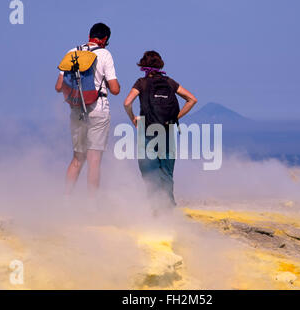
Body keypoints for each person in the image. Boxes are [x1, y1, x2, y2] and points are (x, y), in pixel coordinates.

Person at [123, 51, 197, 209]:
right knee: (167, 172)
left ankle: (155, 210)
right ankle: (169, 209)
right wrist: (176, 117)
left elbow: (127, 103)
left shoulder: (141, 83)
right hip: (168, 128)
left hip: (147, 128)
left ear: (143, 65)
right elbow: (192, 99)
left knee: (149, 172)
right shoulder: (169, 82)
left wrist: (133, 119)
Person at [55, 23, 120, 198]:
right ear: (105, 39)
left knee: (77, 159)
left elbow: (59, 86)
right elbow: (115, 89)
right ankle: (92, 206)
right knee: (94, 161)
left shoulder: (71, 52)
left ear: (90, 35)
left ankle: (65, 201)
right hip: (97, 108)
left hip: (76, 109)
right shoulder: (105, 54)